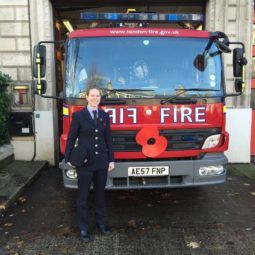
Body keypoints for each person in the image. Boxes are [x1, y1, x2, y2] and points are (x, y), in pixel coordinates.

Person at [65, 87, 114, 242]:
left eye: (97, 96)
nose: (95, 98)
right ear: (86, 97)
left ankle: (100, 224)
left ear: (100, 98)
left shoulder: (105, 116)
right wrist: (69, 159)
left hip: (101, 163)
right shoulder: (78, 116)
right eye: (92, 95)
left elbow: (108, 140)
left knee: (100, 196)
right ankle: (84, 228)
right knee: (82, 197)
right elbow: (71, 138)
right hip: (85, 163)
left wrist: (111, 160)